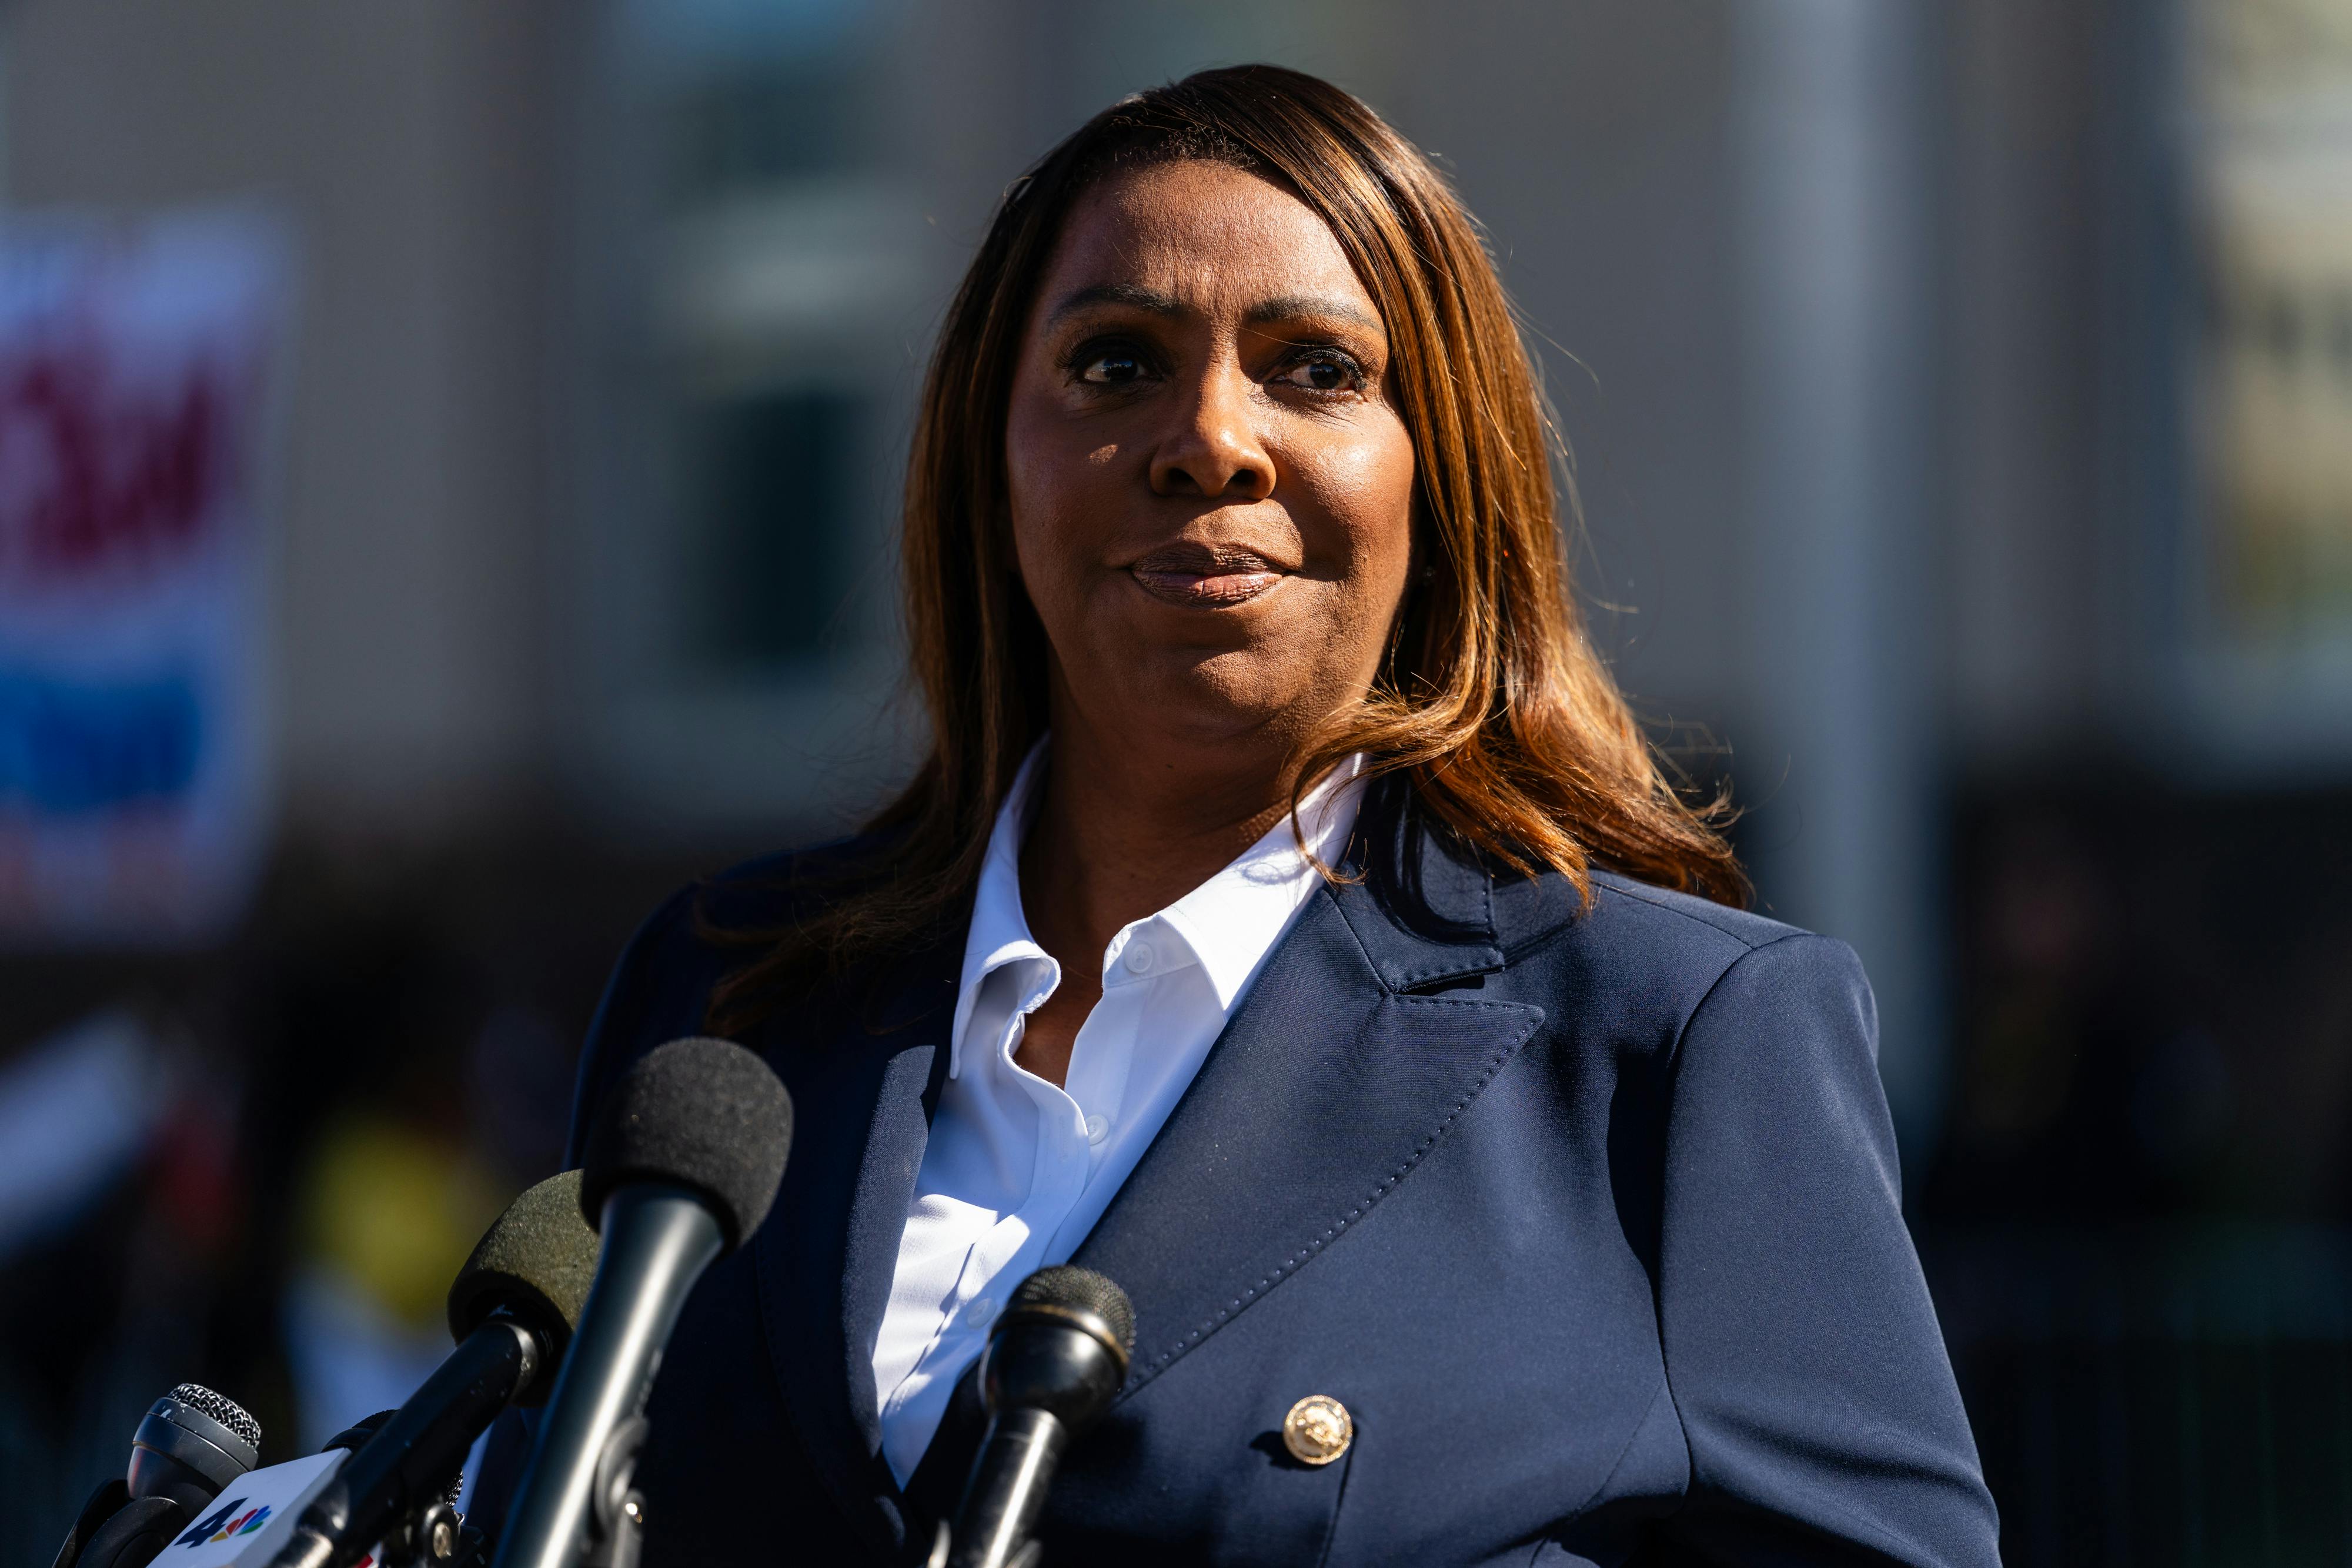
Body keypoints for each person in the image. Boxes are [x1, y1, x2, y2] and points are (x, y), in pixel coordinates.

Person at [474, 65, 1998, 1567]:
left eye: (1317, 368)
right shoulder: (729, 998)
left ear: (1441, 476)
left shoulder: (1674, 1042)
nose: (1211, 437)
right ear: (990, 462)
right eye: (1116, 362)